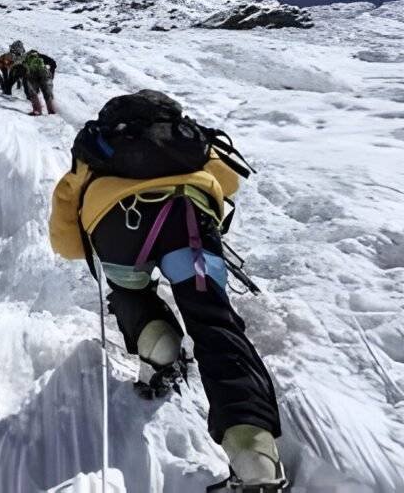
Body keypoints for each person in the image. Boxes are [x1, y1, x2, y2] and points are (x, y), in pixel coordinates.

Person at [49, 90, 286, 492]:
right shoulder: (184, 136)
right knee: (213, 321)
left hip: (117, 229)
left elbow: (68, 243)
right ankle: (255, 460)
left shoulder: (93, 149)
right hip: (187, 220)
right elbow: (228, 181)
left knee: (131, 295)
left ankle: (159, 351)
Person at [8, 48, 57, 115]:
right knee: (47, 94)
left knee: (33, 93)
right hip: (44, 75)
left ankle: (37, 110)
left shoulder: (25, 58)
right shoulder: (41, 56)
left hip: (32, 76)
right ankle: (52, 111)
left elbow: (17, 68)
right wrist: (52, 73)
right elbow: (53, 63)